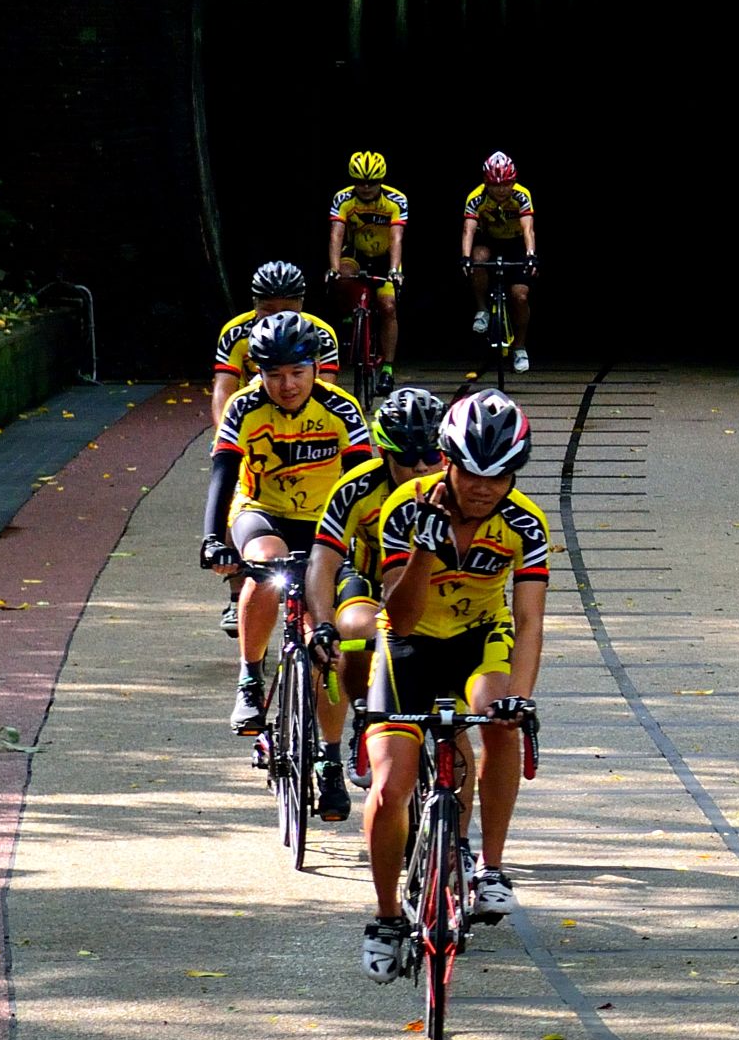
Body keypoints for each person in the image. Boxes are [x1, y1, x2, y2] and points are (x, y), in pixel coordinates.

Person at [358, 388, 548, 979]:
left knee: (500, 719)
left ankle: (489, 868)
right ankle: (389, 917)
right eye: (472, 473)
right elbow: (403, 616)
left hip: (480, 638)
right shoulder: (406, 508)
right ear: (447, 461)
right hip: (409, 643)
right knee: (391, 785)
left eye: (500, 476)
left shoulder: (525, 524)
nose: (484, 488)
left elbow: (530, 620)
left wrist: (520, 695)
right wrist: (424, 546)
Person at [201, 312, 373, 744]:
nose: (288, 385)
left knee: (327, 643)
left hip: (324, 524)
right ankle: (251, 678)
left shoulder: (341, 409)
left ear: (317, 367)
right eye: (274, 375)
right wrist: (211, 540)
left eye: (298, 372)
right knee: (266, 566)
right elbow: (223, 473)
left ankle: (331, 756)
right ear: (258, 373)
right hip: (262, 510)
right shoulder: (244, 406)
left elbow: (364, 485)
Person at [299, 381, 446, 823]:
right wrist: (322, 623)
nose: (420, 468)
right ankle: (342, 739)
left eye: (431, 457)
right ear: (384, 454)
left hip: (429, 584)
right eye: (406, 458)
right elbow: (323, 562)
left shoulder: (460, 489)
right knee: (356, 634)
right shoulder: (356, 487)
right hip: (363, 578)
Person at [325, 151, 410, 386]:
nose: (365, 187)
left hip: (384, 256)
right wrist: (332, 268)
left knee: (388, 306)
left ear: (380, 181)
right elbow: (336, 235)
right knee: (341, 276)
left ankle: (388, 368)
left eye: (371, 182)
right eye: (360, 182)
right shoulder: (342, 199)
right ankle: (350, 315)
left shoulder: (396, 200)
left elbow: (397, 238)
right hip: (355, 254)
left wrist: (394, 270)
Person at [212, 260, 341, 405]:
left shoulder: (322, 335)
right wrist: (223, 427)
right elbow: (223, 391)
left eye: (287, 311)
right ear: (255, 304)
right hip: (251, 408)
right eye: (268, 310)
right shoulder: (234, 333)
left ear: (300, 304)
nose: (277, 318)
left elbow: (325, 393)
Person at [460, 150, 538, 377]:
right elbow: (468, 230)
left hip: (515, 242)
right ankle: (482, 309)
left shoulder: (522, 195)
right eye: (495, 185)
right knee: (479, 259)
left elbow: (528, 228)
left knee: (520, 295)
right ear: (486, 183)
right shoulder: (476, 197)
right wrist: (465, 257)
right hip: (490, 240)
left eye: (506, 184)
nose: (501, 190)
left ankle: (520, 347)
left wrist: (531, 254)